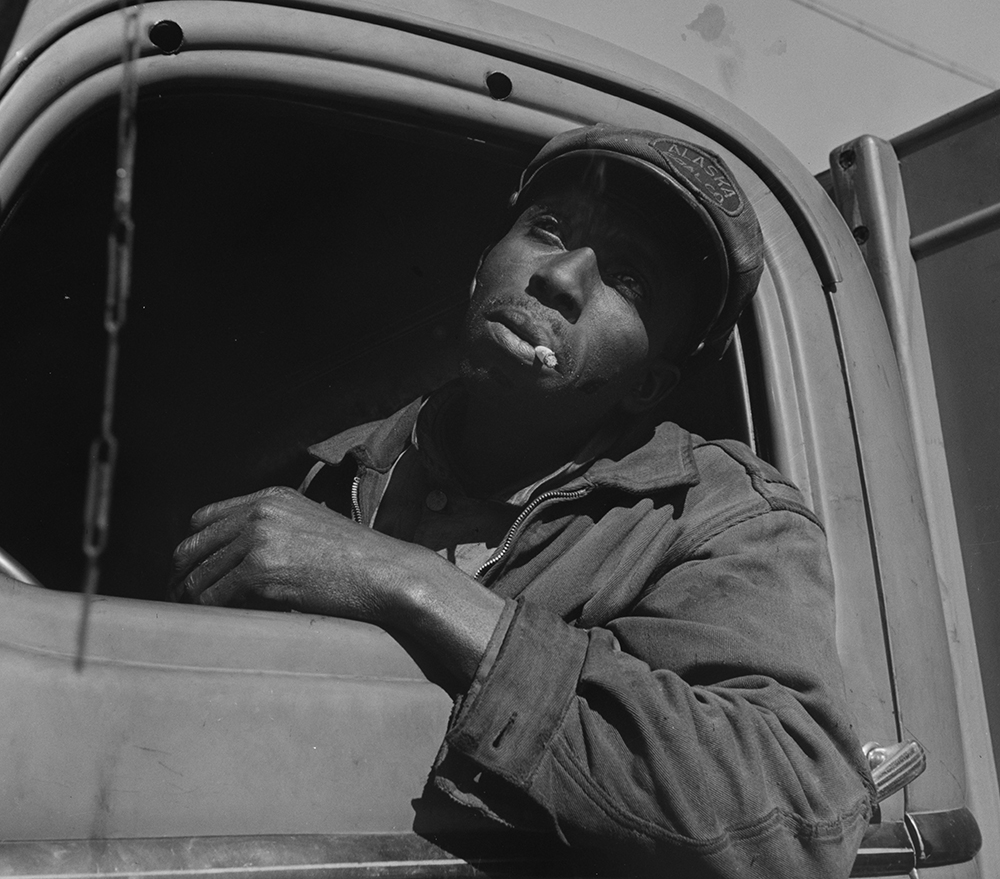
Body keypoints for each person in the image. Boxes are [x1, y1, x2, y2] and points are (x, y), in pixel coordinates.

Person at [172, 125, 875, 877]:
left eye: (629, 279)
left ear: (648, 384)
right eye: (548, 229)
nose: (562, 278)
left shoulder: (718, 516)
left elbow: (794, 815)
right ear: (482, 268)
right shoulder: (326, 472)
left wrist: (408, 583)